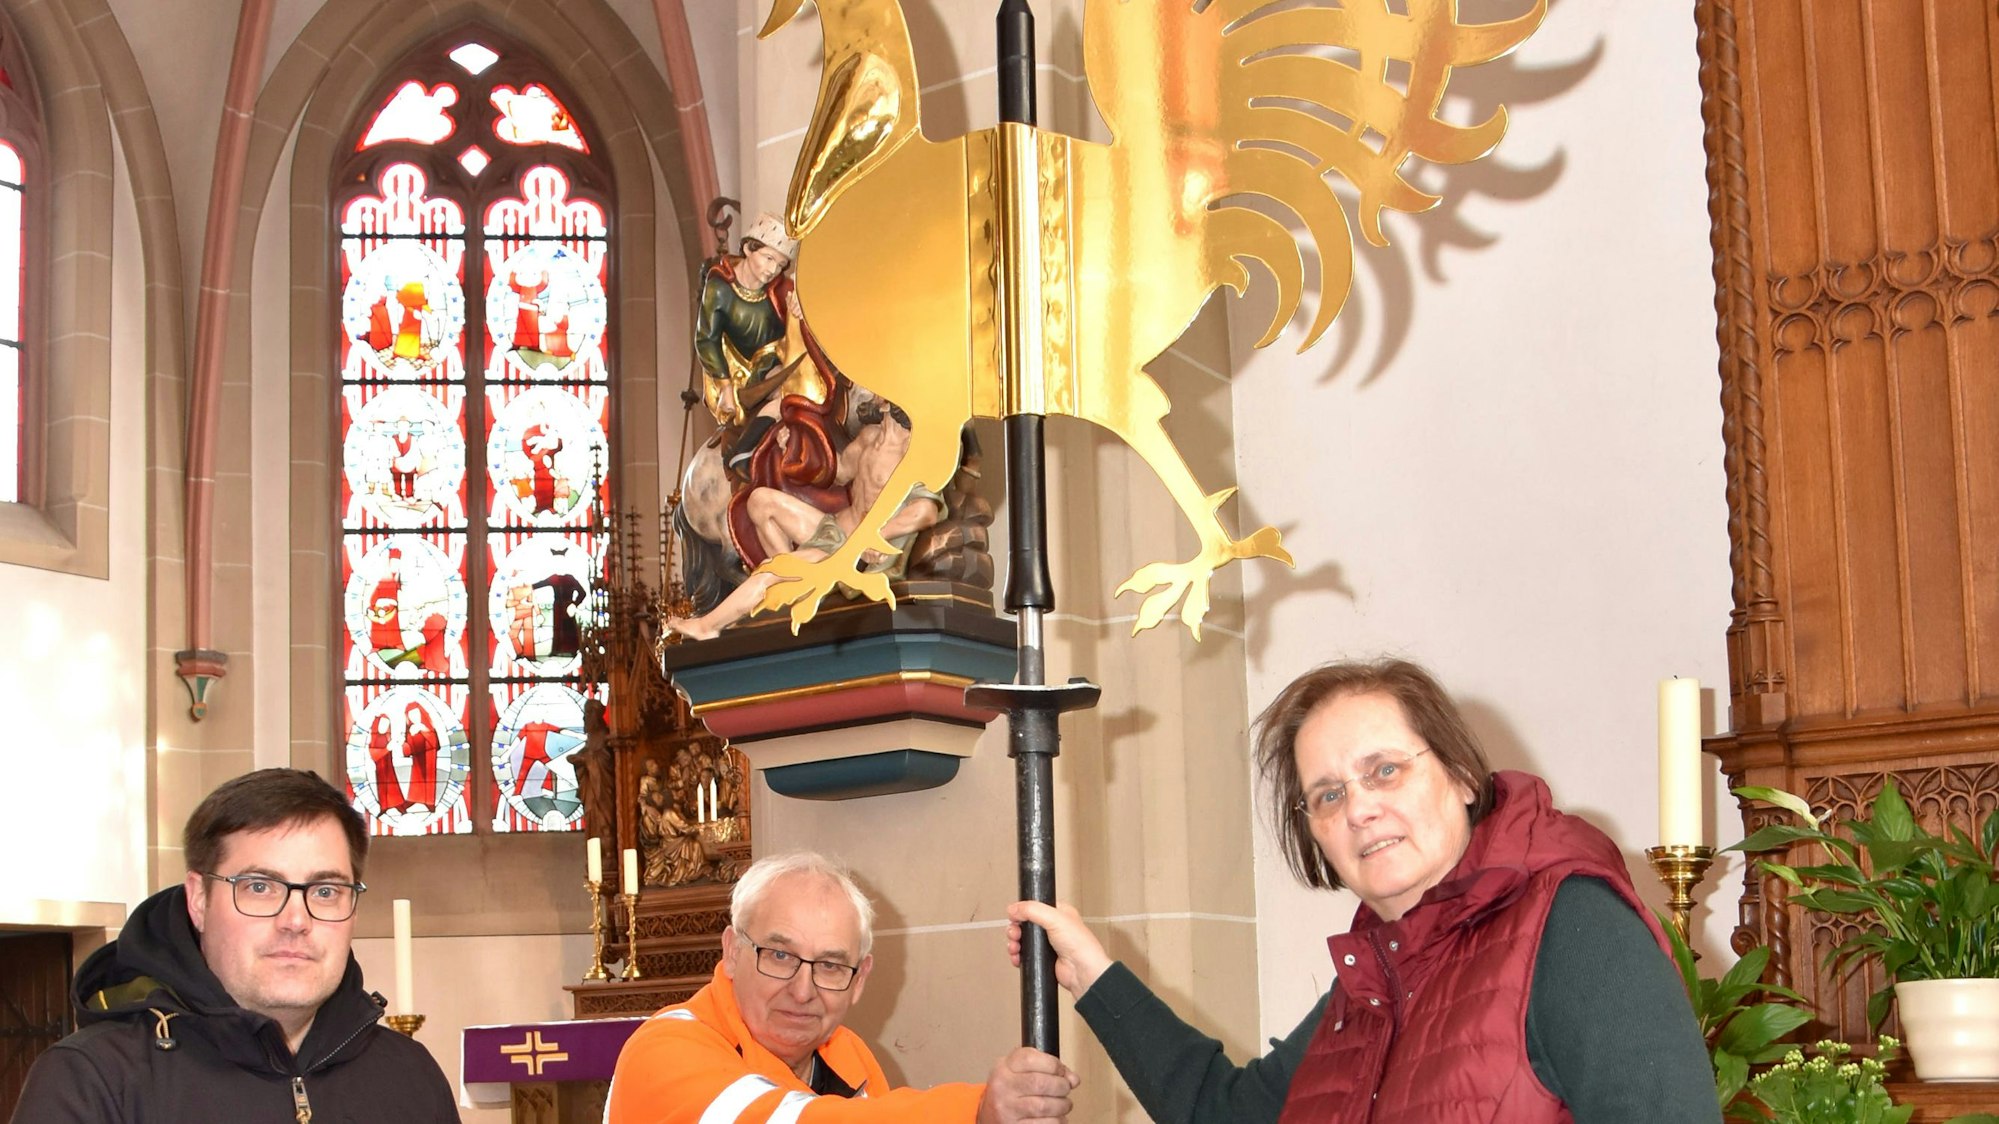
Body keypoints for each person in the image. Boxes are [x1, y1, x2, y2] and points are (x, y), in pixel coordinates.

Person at [1007, 658, 1719, 1124]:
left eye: (1384, 771)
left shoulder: (1569, 926)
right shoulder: (1372, 986)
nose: (1359, 808)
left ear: (1463, 777)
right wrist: (1092, 974)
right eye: (1326, 793)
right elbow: (1225, 1116)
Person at [12, 768, 456, 1122]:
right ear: (199, 900)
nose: (296, 921)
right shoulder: (93, 1077)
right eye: (260, 887)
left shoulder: (409, 1073)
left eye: (325, 891)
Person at [607, 851, 1078, 1123]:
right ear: (732, 952)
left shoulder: (846, 1055)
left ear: (860, 980)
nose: (803, 990)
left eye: (831, 965)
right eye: (780, 956)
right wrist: (977, 1110)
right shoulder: (665, 1048)